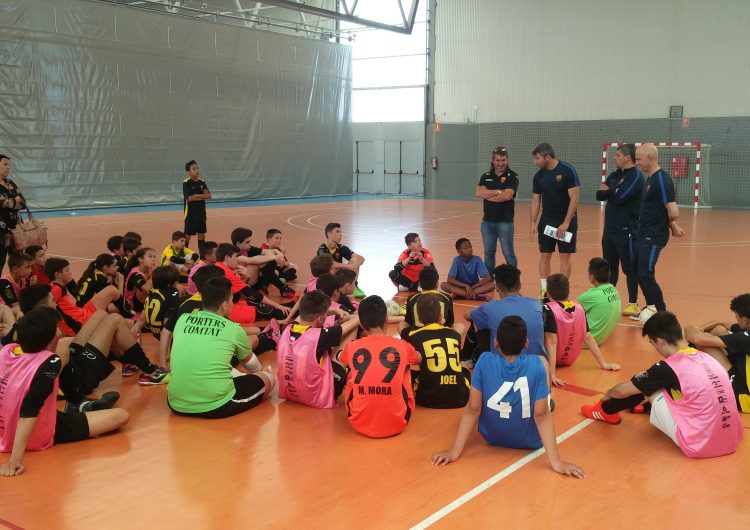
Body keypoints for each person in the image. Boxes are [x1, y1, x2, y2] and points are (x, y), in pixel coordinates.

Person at [431, 316, 585, 478]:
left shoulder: (483, 360)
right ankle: (546, 398)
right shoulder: (538, 364)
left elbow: (473, 408)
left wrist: (454, 452)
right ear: (526, 343)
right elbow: (542, 415)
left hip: (491, 437)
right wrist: (557, 462)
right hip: (531, 442)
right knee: (542, 373)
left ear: (496, 341)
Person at [581, 311, 743, 459]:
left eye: (653, 344)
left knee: (648, 385)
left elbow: (623, 391)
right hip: (730, 438)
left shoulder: (669, 367)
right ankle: (641, 405)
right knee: (659, 382)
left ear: (660, 341)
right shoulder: (705, 356)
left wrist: (608, 394)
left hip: (700, 446)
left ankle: (604, 411)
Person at [0, 307, 130, 477]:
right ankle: (79, 406)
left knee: (66, 349)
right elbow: (29, 409)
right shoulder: (50, 361)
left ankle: (77, 403)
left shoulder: (8, 350)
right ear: (51, 339)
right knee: (121, 416)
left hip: (6, 424)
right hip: (34, 429)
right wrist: (15, 460)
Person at [167, 277, 275, 419]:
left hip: (176, 402)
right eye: (231, 300)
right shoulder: (233, 329)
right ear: (224, 305)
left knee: (225, 368)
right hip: (217, 405)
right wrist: (261, 373)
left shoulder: (183, 319)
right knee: (268, 378)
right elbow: (251, 364)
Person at [339, 295, 420, 438]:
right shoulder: (402, 346)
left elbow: (340, 357)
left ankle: (364, 408)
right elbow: (418, 359)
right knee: (405, 365)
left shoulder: (352, 347)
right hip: (399, 422)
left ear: (362, 325)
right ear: (387, 320)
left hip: (358, 422)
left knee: (352, 370)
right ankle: (393, 408)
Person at [277, 290, 359, 409]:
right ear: (320, 319)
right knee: (350, 331)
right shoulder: (321, 335)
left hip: (289, 392)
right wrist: (344, 315)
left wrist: (331, 311)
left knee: (321, 352)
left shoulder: (288, 328)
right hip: (316, 396)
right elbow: (356, 320)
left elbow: (301, 316)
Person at [632, 143, 686, 318]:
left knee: (644, 273)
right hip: (644, 233)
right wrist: (673, 226)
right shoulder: (650, 179)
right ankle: (651, 307)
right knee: (640, 271)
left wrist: (670, 223)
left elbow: (673, 211)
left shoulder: (662, 179)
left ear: (650, 157)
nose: (636, 162)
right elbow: (660, 208)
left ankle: (662, 313)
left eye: (639, 159)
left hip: (653, 236)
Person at [543, 274, 620, 387]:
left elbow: (552, 342)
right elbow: (588, 337)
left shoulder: (548, 308)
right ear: (568, 292)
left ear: (548, 294)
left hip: (551, 360)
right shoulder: (579, 308)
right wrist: (604, 363)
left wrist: (552, 374)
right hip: (570, 359)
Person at [596, 143, 644, 316]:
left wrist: (612, 191)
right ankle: (610, 301)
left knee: (629, 268)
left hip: (627, 231)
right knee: (609, 267)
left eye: (617, 155)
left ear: (627, 157)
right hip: (609, 230)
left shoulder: (636, 177)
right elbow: (599, 195)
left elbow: (621, 197)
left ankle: (633, 303)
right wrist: (613, 191)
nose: (614, 158)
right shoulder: (615, 175)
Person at [684, 293, 750, 414]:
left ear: (745, 320)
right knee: (719, 330)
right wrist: (702, 330)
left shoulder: (744, 338)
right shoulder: (746, 330)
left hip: (744, 397)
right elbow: (723, 323)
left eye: (737, 316)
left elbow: (698, 339)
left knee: (705, 344)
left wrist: (689, 328)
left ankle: (688, 370)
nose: (736, 319)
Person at [529, 143, 580, 296]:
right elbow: (536, 200)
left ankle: (562, 291)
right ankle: (545, 289)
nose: (535, 162)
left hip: (566, 222)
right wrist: (533, 222)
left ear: (548, 157)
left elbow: (574, 198)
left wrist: (566, 223)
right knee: (545, 255)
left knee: (564, 256)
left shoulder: (567, 170)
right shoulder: (539, 176)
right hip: (547, 222)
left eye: (537, 158)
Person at [465, 264, 545, 362]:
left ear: (497, 287)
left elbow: (467, 315)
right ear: (520, 285)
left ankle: (469, 357)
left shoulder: (489, 307)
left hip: (504, 365)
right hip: (537, 364)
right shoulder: (537, 305)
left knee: (477, 320)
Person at [402, 294, 470, 409]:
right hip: (460, 398)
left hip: (426, 398)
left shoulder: (413, 336)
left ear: (419, 318)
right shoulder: (454, 334)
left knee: (408, 372)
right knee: (465, 370)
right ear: (440, 316)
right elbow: (460, 327)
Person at [476, 146, 520, 270]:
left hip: (505, 223)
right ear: (493, 160)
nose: (500, 163)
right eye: (498, 160)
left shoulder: (512, 176)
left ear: (507, 160)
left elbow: (507, 196)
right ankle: (488, 280)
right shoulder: (486, 176)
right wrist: (498, 192)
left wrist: (488, 194)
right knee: (489, 254)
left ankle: (512, 282)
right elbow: (478, 193)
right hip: (487, 222)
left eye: (503, 160)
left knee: (508, 254)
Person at [133, 266, 181, 369]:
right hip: (165, 333)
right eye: (176, 282)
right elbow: (167, 323)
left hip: (156, 332)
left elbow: (142, 319)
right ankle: (167, 355)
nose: (177, 285)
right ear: (170, 284)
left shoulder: (151, 292)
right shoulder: (173, 292)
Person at [576, 258, 621, 346]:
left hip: (584, 341)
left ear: (592, 277)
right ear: (609, 274)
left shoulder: (591, 295)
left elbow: (566, 311)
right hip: (600, 340)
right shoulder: (614, 290)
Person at [318, 222, 366, 298]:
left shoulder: (341, 247)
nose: (340, 234)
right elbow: (330, 263)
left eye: (340, 232)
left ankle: (353, 286)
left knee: (355, 259)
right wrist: (348, 266)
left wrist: (354, 265)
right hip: (329, 279)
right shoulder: (322, 249)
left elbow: (361, 258)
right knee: (331, 268)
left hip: (339, 277)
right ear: (329, 234)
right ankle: (342, 291)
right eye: (337, 232)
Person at [400, 266, 455, 331]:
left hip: (418, 337)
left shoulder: (411, 298)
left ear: (419, 284)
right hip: (441, 335)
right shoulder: (447, 298)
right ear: (437, 283)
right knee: (460, 326)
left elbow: (409, 322)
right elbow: (450, 323)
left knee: (401, 324)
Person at [0, 154, 26, 273]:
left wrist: (11, 202)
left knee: (19, 262)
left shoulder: (10, 182)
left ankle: (17, 289)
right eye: (5, 164)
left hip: (16, 231)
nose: (8, 167)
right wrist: (15, 201)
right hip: (1, 233)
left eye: (9, 165)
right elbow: (2, 203)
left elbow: (23, 202)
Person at [182, 160, 211, 250]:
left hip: (201, 214)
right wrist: (203, 196)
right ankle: (184, 254)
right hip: (190, 215)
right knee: (187, 236)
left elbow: (209, 196)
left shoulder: (202, 182)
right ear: (188, 172)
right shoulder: (186, 183)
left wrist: (196, 195)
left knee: (201, 235)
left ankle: (202, 256)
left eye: (197, 168)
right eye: (194, 169)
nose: (197, 170)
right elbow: (189, 198)